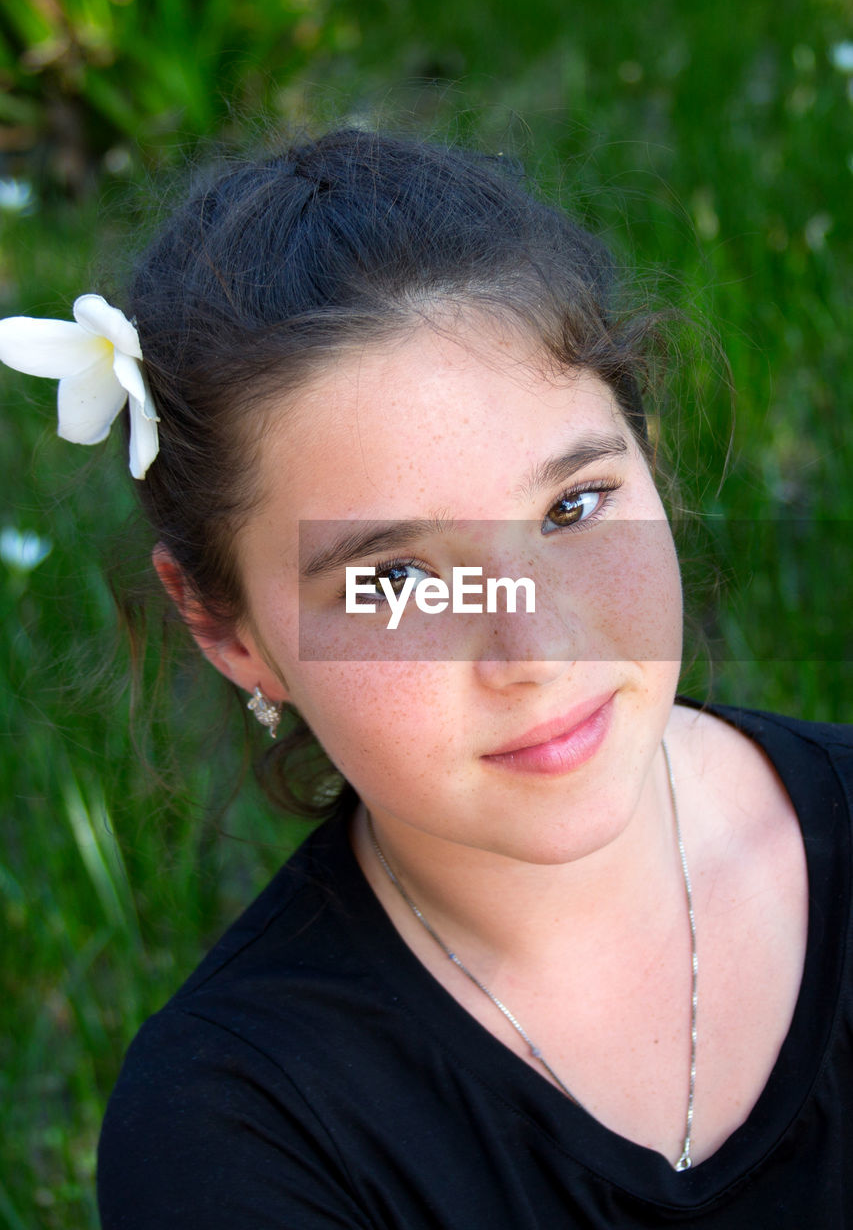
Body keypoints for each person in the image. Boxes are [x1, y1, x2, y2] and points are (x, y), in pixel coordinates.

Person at [0, 129, 850, 1228]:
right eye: (395, 577)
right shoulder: (235, 1135)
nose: (538, 652)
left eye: (572, 507)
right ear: (226, 626)